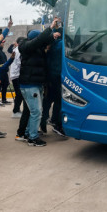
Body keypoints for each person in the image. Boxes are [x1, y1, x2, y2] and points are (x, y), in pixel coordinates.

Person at [18, 18, 62, 147]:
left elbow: (43, 41)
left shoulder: (37, 49)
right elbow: (39, 40)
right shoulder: (26, 47)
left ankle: (27, 133)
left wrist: (53, 35)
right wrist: (50, 28)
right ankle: (33, 137)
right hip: (29, 85)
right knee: (36, 112)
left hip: (35, 84)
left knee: (35, 111)